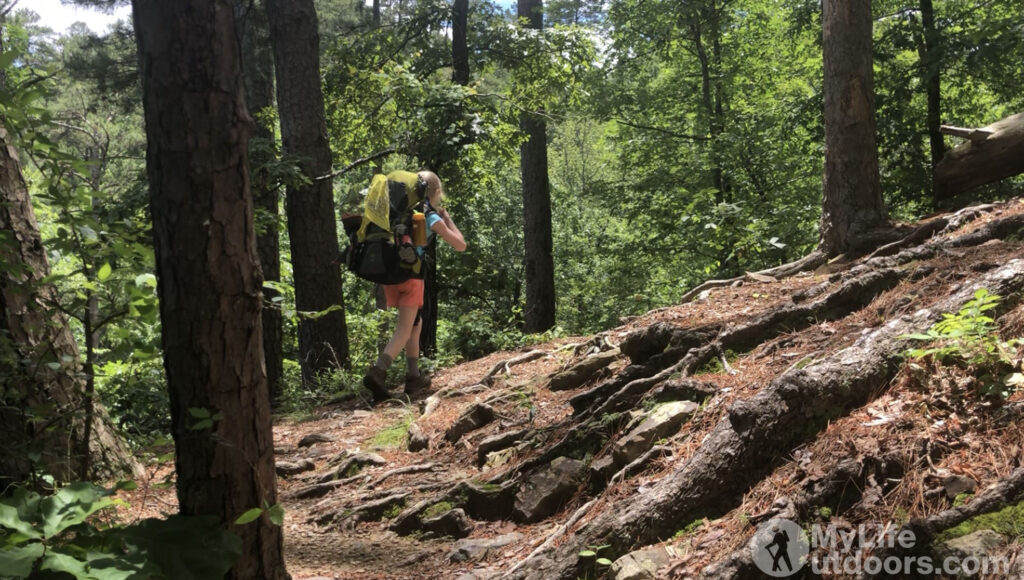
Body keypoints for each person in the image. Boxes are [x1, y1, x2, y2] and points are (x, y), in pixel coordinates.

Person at [362, 170, 466, 404]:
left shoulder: (399, 215)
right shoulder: (428, 217)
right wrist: (448, 221)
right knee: (405, 329)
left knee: (414, 326)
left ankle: (413, 376)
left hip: (391, 277)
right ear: (436, 192)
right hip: (412, 278)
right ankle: (378, 371)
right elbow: (460, 245)